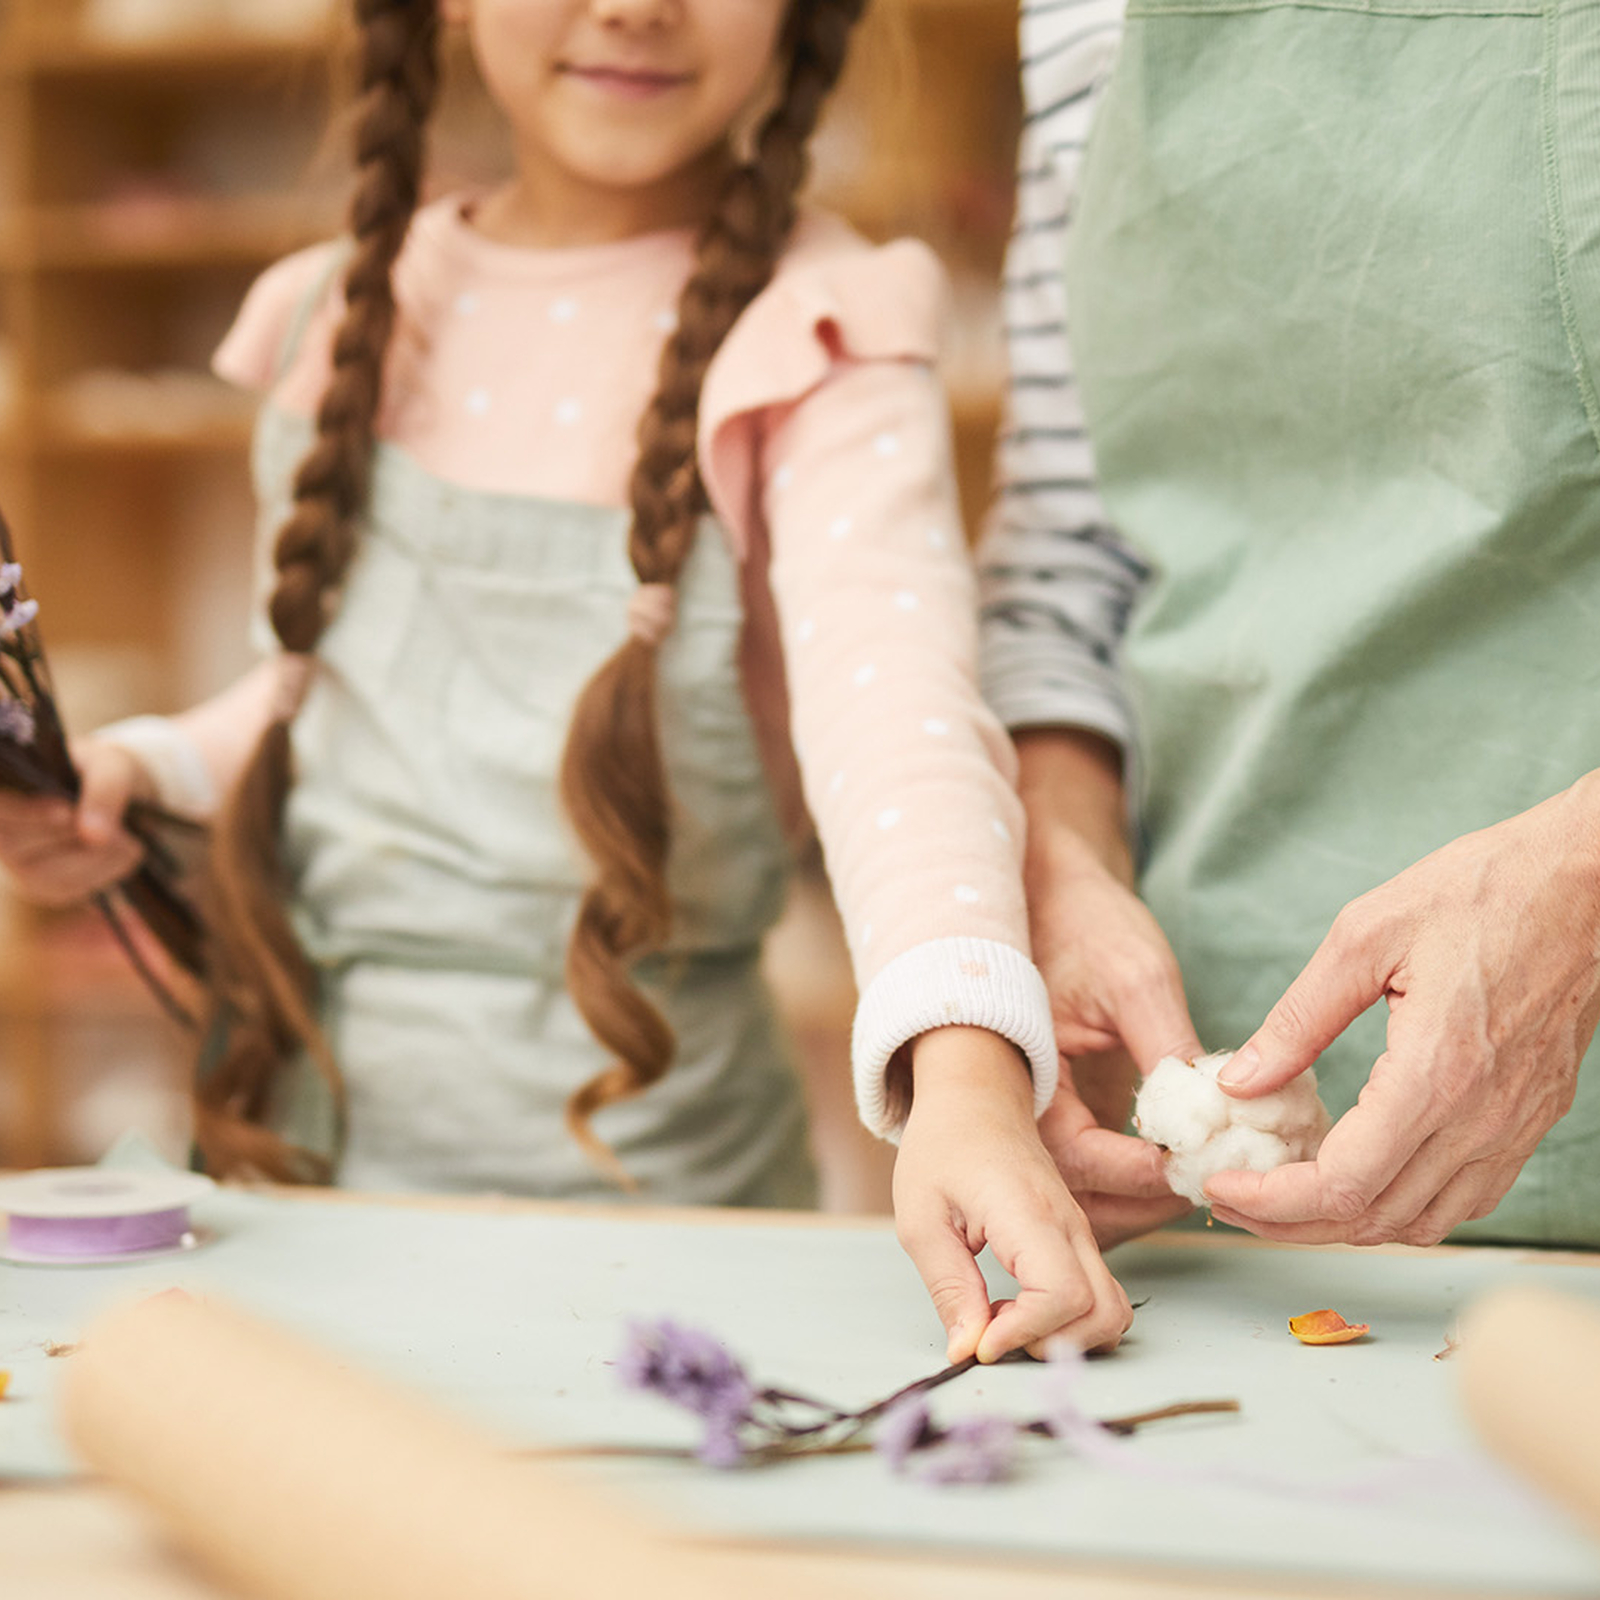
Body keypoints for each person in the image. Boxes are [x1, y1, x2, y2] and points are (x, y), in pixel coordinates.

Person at [0, 0, 1135, 1358]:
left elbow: (898, 720)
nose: (635, 6)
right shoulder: (334, 309)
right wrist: (149, 770)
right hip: (307, 1196)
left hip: (669, 1222)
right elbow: (329, 701)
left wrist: (964, 1072)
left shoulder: (817, 330)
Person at [979, 0, 1600, 1251]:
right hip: (1218, 1145)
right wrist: (1055, 860)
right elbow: (1066, 559)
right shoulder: (1071, 22)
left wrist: (1580, 884)